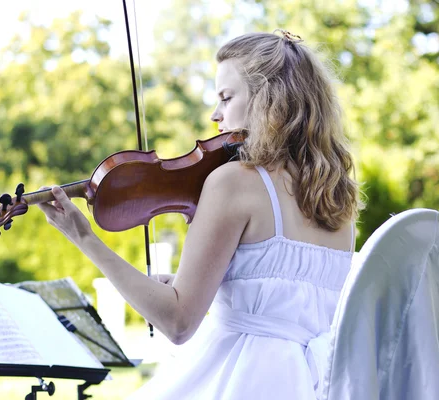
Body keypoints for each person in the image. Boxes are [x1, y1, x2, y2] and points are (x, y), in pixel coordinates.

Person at [38, 29, 363, 399]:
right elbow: (284, 296)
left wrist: (83, 236)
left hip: (244, 379)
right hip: (323, 383)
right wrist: (192, 278)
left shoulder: (234, 183)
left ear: (268, 101)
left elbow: (178, 322)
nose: (215, 114)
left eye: (226, 97)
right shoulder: (338, 199)